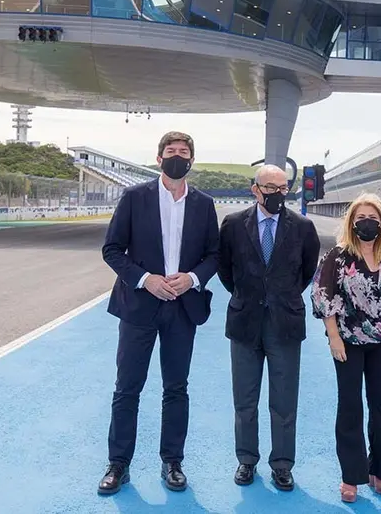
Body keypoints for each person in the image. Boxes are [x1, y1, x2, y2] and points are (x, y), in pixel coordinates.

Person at [98, 131, 219, 495]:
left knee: (176, 388)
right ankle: (119, 464)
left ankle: (173, 462)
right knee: (127, 388)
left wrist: (193, 278)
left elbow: (214, 255)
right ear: (159, 158)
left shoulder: (203, 203)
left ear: (192, 160)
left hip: (182, 309)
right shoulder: (135, 197)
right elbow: (112, 249)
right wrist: (146, 279)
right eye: (171, 151)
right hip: (139, 307)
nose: (177, 156)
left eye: (183, 152)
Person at [310, 192, 381, 504]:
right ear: (351, 223)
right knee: (349, 405)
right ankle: (351, 476)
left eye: (373, 220)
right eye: (361, 219)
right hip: (347, 341)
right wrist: (334, 338)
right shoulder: (338, 256)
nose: (367, 224)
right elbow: (323, 297)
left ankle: (380, 470)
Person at [217, 165, 321, 491]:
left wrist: (279, 297)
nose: (277, 193)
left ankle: (282, 465)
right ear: (255, 189)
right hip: (245, 321)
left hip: (285, 324)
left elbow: (305, 271)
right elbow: (224, 270)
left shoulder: (303, 227)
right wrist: (250, 296)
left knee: (284, 400)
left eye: (282, 188)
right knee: (244, 400)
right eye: (270, 187)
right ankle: (247, 461)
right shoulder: (233, 225)